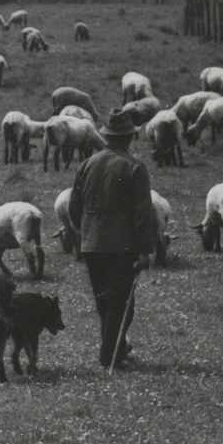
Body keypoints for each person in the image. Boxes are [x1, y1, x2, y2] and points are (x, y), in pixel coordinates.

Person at [67, 106, 157, 369]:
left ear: (107, 136)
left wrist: (85, 233)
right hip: (122, 246)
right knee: (122, 304)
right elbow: (142, 212)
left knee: (104, 301)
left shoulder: (87, 164)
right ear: (128, 137)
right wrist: (144, 250)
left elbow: (74, 207)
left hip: (92, 245)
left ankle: (114, 351)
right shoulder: (135, 167)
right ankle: (109, 357)